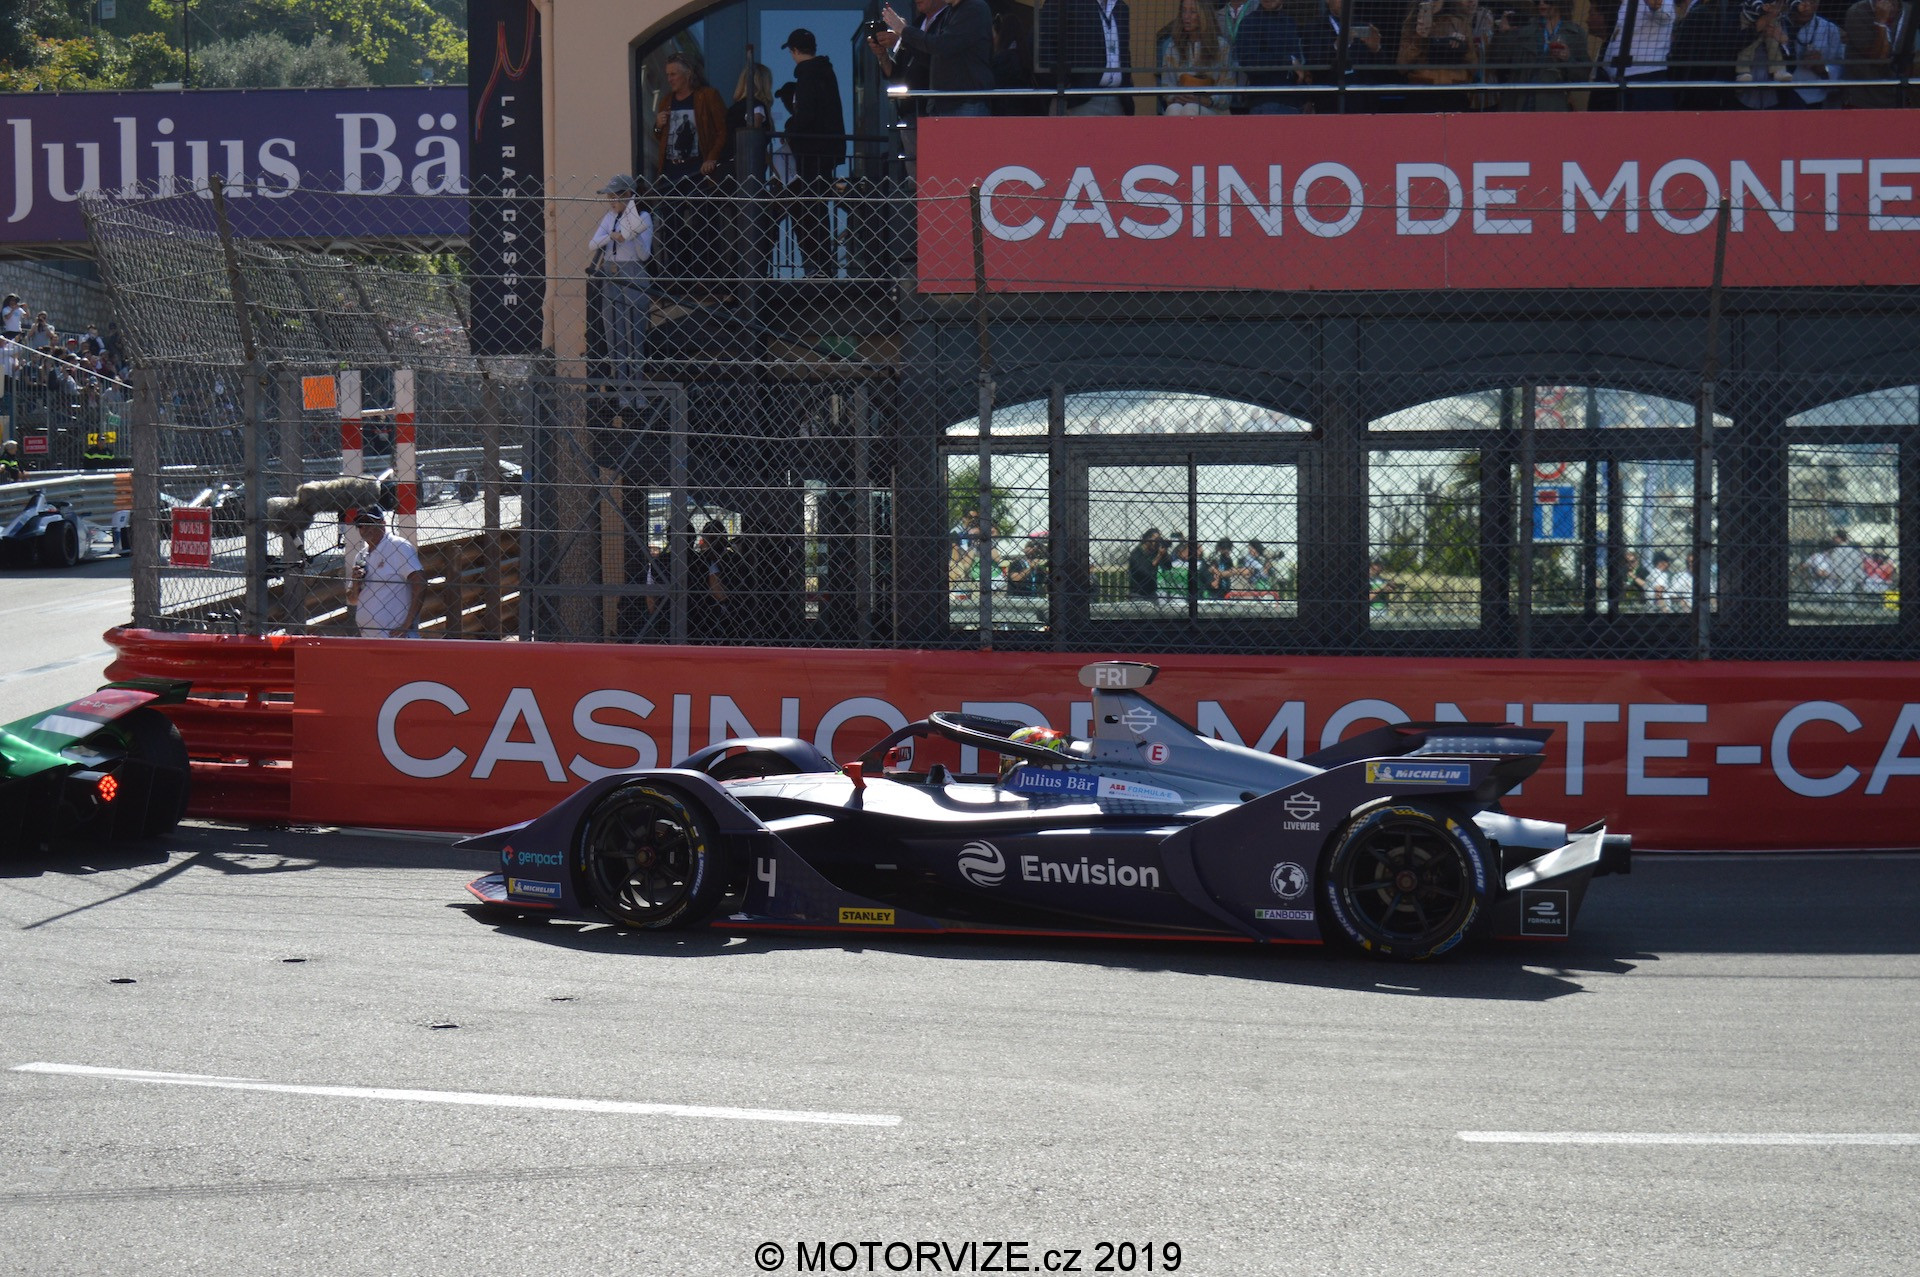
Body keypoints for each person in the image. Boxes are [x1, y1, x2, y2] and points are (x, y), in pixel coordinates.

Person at [784, 29, 846, 277]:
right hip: (825, 151)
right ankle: (822, 263)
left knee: (810, 207)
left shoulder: (808, 75)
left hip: (812, 152)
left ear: (795, 51)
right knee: (816, 206)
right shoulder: (825, 71)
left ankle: (818, 264)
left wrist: (791, 130)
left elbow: (807, 115)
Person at [588, 174, 654, 408]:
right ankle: (622, 392)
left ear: (627, 196)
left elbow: (644, 254)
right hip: (611, 274)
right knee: (614, 335)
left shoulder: (643, 217)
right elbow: (593, 243)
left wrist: (633, 235)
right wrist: (611, 236)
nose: (611, 201)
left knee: (633, 335)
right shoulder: (610, 217)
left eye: (615, 196)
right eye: (609, 197)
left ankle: (637, 391)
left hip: (633, 273)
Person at [883, 0, 997, 117]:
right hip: (941, 103)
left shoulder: (974, 8)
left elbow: (942, 45)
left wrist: (904, 30)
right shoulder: (950, 12)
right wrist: (903, 37)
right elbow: (932, 57)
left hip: (966, 102)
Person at [1487, 0, 1592, 108]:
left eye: (1547, 0)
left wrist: (1568, 58)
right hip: (1520, 101)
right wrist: (1503, 34)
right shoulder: (1523, 27)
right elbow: (1496, 61)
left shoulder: (1575, 34)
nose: (1541, 3)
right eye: (1537, 1)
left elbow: (1583, 76)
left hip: (1552, 104)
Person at [1041, 0, 1135, 115]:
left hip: (1117, 99)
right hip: (1080, 98)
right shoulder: (1064, 3)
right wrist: (1063, 83)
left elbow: (1123, 52)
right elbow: (1041, 44)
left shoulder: (1121, 7)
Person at [348, 507, 425, 638]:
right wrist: (356, 584)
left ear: (383, 524)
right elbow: (352, 599)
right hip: (368, 637)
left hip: (395, 637)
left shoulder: (398, 546)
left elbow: (420, 583)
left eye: (370, 522)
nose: (365, 528)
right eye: (361, 524)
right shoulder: (361, 556)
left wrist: (407, 624)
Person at [1159, 0, 1238, 114]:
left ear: (1204, 15)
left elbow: (1228, 90)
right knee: (1173, 109)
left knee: (1191, 108)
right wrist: (1175, 97)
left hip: (1214, 109)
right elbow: (1167, 86)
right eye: (1184, 11)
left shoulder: (1221, 46)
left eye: (1193, 12)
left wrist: (1208, 100)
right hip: (1181, 106)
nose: (1186, 16)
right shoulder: (1172, 46)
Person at [1235, 0, 1308, 113]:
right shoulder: (1250, 22)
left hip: (1293, 101)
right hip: (1265, 100)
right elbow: (1248, 62)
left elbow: (1298, 62)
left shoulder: (1290, 21)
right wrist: (1288, 61)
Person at [1733, 0, 1795, 107]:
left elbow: (1794, 57)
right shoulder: (1737, 13)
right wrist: (1758, 27)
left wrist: (1782, 40)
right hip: (1742, 96)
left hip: (1775, 96)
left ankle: (1778, 71)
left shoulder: (1784, 20)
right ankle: (1743, 72)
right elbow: (1730, 46)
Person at [1783, 0, 1844, 104]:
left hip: (1816, 97)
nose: (1807, 6)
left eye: (1812, 2)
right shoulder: (1777, 25)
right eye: (1802, 1)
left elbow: (1839, 67)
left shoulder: (1829, 29)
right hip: (1779, 93)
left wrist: (1822, 68)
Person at [1127, 527, 1167, 598]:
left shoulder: (1155, 552)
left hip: (1152, 592)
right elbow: (1146, 572)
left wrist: (1164, 553)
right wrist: (1159, 556)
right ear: (1147, 540)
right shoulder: (1136, 553)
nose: (1156, 543)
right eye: (1155, 540)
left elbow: (1168, 566)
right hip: (1138, 593)